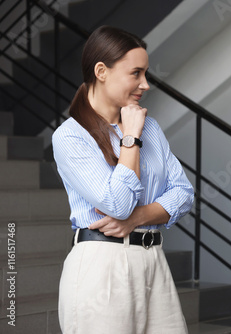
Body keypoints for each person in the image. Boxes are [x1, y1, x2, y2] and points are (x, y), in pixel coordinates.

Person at [52, 26, 193, 334]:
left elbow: (184, 193)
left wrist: (138, 218)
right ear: (101, 71)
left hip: (154, 260)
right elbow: (117, 204)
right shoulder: (70, 136)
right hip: (102, 266)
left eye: (146, 74)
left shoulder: (150, 126)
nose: (145, 84)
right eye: (136, 73)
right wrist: (130, 138)